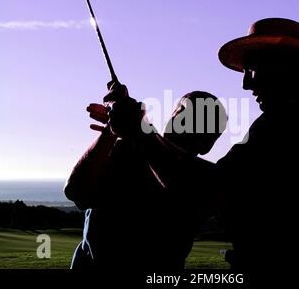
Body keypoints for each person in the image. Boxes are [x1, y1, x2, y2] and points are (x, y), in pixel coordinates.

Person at [216, 18, 299, 271]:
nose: (247, 84)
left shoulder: (289, 122)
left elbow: (215, 186)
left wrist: (143, 136)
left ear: (287, 65)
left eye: (253, 69)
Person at [64, 83, 227, 270]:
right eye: (180, 111)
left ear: (208, 144)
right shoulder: (128, 150)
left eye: (197, 120)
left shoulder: (206, 181)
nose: (181, 120)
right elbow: (77, 191)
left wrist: (137, 128)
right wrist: (111, 130)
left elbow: (181, 187)